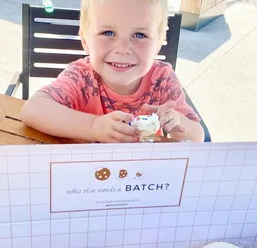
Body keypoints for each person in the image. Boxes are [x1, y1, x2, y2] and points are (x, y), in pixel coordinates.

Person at [21, 0, 205, 143]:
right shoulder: (81, 77)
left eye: (140, 35)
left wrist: (177, 123)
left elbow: (197, 136)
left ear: (158, 45)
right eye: (108, 32)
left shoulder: (162, 80)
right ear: (85, 40)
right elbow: (33, 109)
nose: (123, 48)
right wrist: (94, 126)